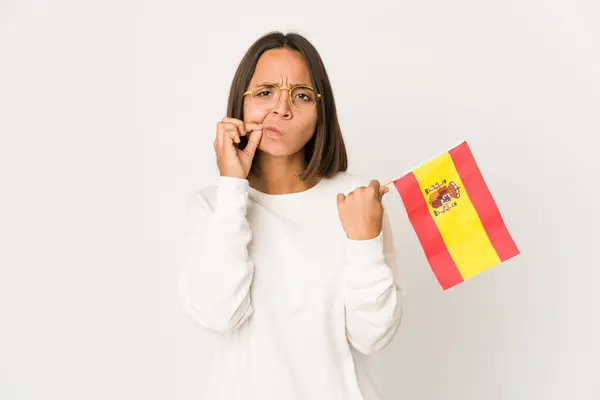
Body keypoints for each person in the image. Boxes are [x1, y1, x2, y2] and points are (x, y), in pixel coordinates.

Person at [178, 31, 405, 400]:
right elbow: (217, 315)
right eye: (265, 92)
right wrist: (232, 188)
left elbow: (373, 337)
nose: (281, 109)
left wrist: (365, 244)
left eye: (301, 95)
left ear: (321, 112)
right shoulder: (212, 206)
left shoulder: (358, 199)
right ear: (241, 103)